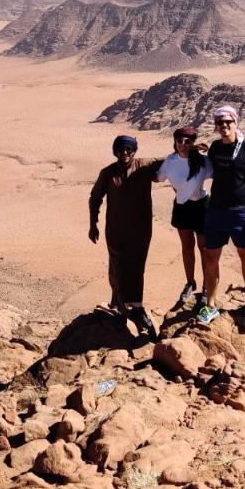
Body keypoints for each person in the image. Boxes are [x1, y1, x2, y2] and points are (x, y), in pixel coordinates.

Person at [197, 105, 245, 330]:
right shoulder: (215, 148)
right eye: (220, 123)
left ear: (236, 123)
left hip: (242, 212)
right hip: (216, 210)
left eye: (228, 122)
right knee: (210, 258)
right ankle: (211, 304)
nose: (224, 126)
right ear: (216, 126)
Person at [88, 135, 162, 341]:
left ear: (134, 151)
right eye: (121, 150)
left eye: (129, 150)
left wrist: (191, 151)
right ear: (115, 152)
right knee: (117, 266)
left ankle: (135, 308)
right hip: (116, 230)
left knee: (137, 268)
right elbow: (95, 198)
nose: (125, 154)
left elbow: (173, 160)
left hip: (140, 231)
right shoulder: (108, 173)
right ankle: (121, 304)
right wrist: (92, 223)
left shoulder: (145, 166)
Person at [154, 125, 213, 310]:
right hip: (182, 207)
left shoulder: (203, 161)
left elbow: (221, 167)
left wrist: (211, 150)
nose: (183, 145)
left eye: (187, 141)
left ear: (193, 143)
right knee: (187, 247)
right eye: (179, 141)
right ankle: (190, 283)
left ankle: (205, 288)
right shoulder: (170, 161)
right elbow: (158, 177)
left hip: (202, 206)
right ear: (175, 142)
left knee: (204, 249)